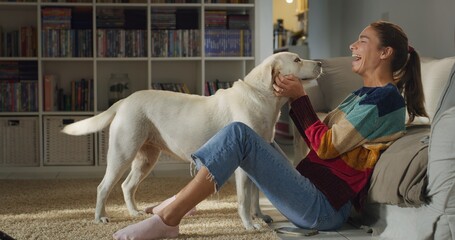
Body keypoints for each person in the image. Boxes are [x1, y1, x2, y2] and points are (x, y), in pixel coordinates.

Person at [113, 20, 428, 240]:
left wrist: (299, 97)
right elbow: (321, 139)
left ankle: (169, 218)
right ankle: (178, 202)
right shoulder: (364, 96)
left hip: (323, 207)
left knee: (239, 135)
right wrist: (292, 100)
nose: (352, 45)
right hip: (309, 192)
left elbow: (327, 146)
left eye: (363, 41)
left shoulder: (385, 100)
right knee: (247, 136)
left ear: (385, 53)